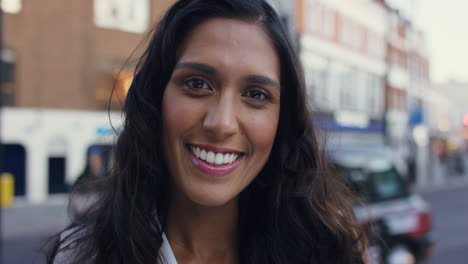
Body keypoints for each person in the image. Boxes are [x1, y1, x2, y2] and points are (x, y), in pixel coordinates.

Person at [46, 0, 367, 263]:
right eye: (197, 84)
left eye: (256, 94)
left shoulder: (331, 253)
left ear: (282, 121)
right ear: (157, 97)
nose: (222, 123)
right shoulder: (82, 255)